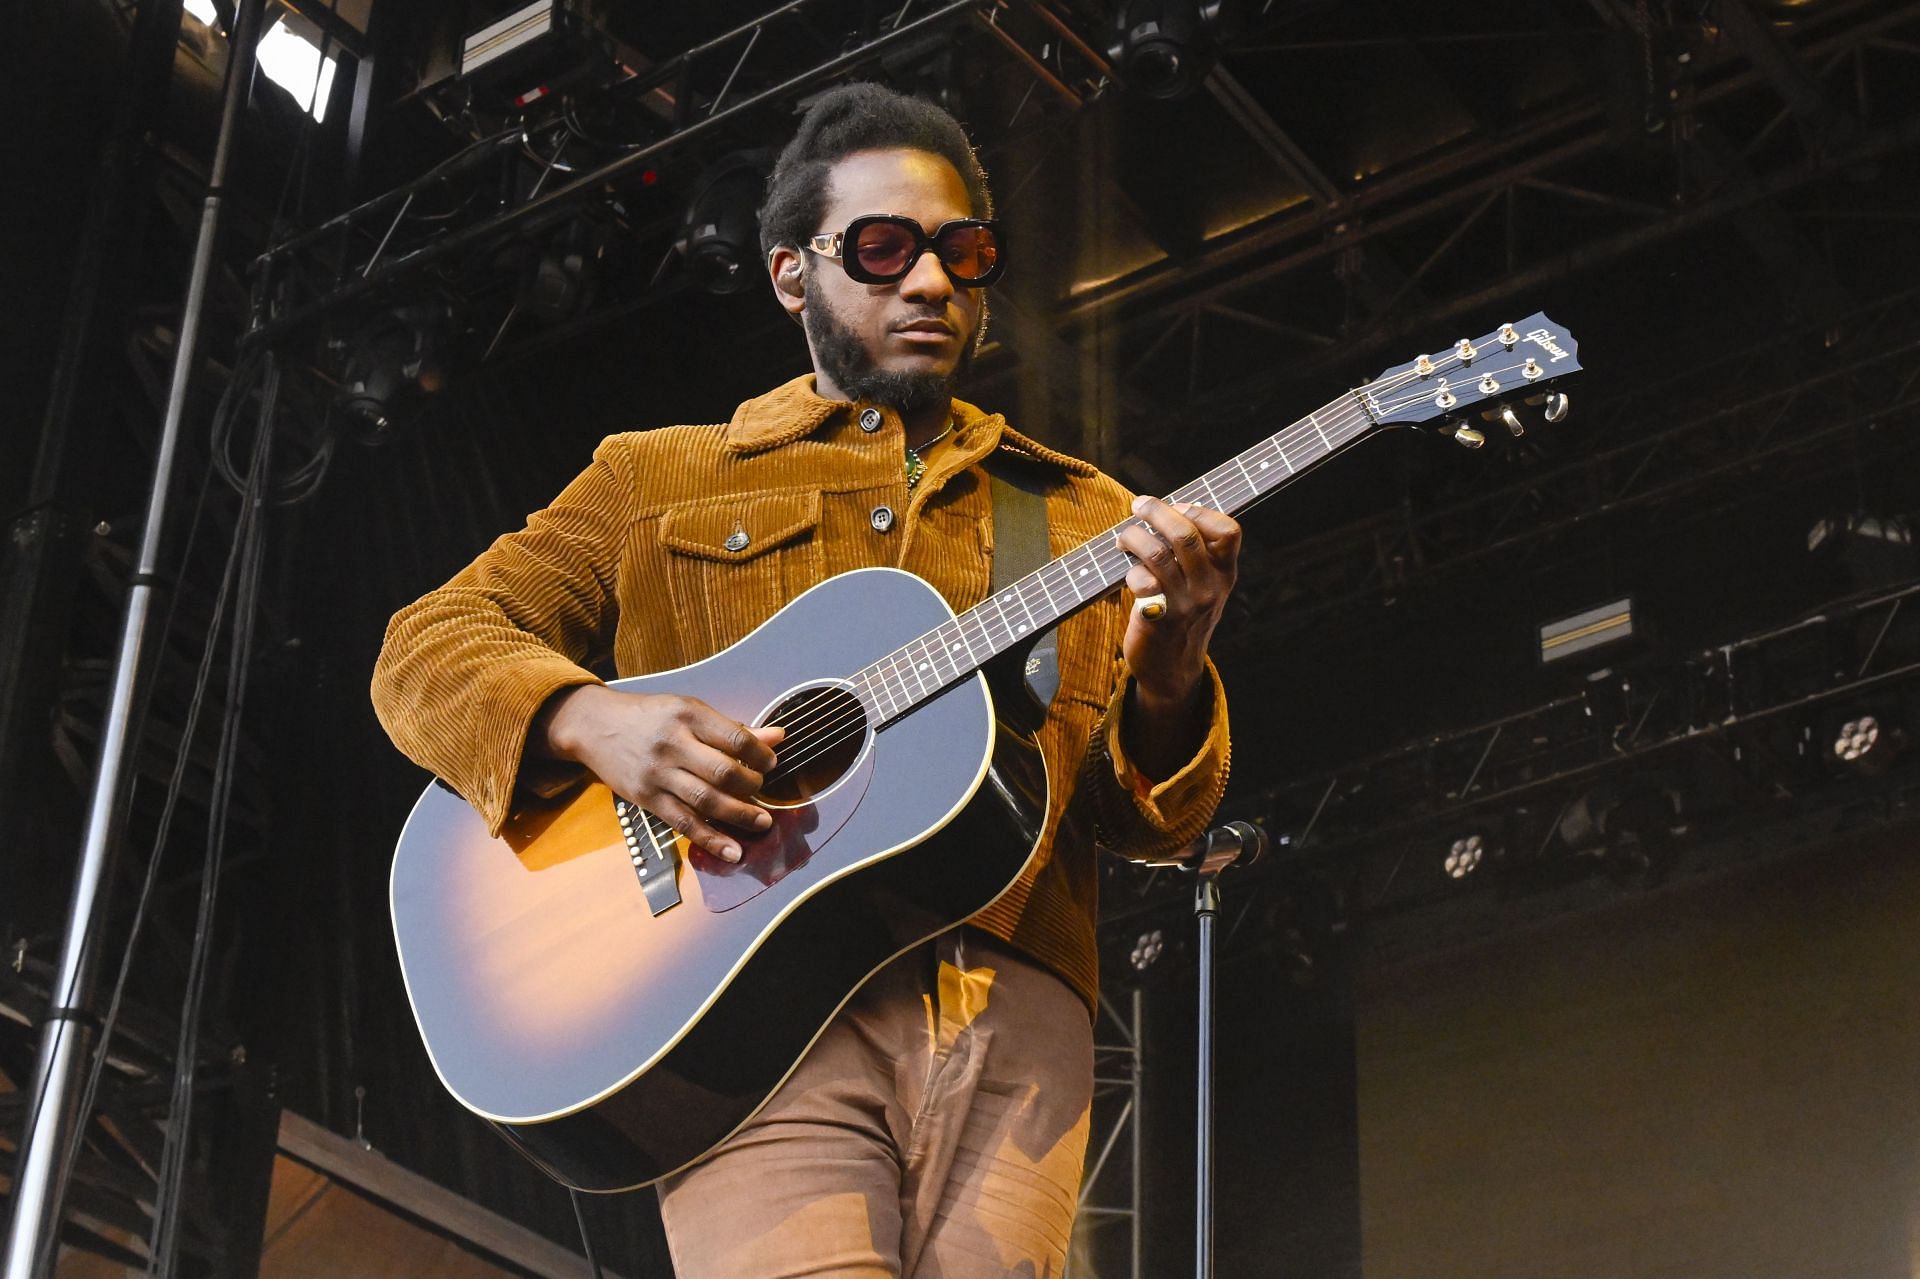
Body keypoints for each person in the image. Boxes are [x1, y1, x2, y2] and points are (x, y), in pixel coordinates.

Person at [372, 81, 1240, 1278]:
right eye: (884, 250)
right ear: (793, 275)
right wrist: (589, 719)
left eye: (962, 251)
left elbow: (1154, 820)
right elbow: (430, 640)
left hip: (1020, 1025)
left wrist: (1174, 668)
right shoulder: (659, 480)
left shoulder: (1081, 515)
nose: (930, 282)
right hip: (765, 1022)